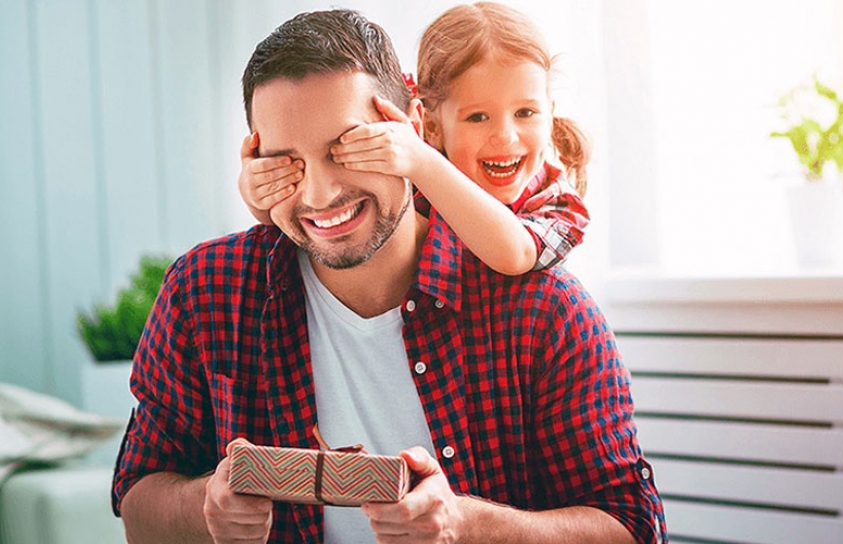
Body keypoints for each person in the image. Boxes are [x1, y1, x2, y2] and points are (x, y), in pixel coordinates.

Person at [112, 7, 667, 544]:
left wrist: (466, 526)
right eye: (287, 162)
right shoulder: (205, 291)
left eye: (348, 149)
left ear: (413, 130)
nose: (319, 195)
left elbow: (634, 528)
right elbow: (138, 508)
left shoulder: (546, 309)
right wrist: (205, 506)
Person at [238, 2, 590, 276]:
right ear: (432, 126)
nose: (505, 135)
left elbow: (515, 256)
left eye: (526, 113)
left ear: (550, 111)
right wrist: (259, 194)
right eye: (478, 117)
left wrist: (421, 160)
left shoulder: (555, 201)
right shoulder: (406, 177)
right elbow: (315, 211)